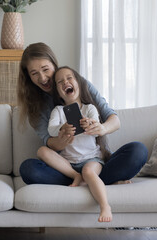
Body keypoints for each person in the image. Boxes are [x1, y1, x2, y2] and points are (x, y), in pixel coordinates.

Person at [17, 42, 148, 186]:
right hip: (65, 167)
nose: (42, 78)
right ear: (28, 77)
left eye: (45, 69)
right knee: (28, 169)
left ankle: (88, 179)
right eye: (34, 73)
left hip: (95, 163)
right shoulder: (35, 105)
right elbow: (49, 142)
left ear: (54, 65)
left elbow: (114, 120)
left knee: (138, 150)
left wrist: (101, 128)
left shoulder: (78, 84)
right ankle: (88, 180)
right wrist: (62, 137)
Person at [38, 66, 114, 222]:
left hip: (91, 158)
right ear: (59, 92)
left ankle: (105, 206)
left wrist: (90, 124)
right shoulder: (58, 111)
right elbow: (51, 130)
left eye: (69, 78)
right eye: (60, 82)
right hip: (68, 163)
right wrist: (61, 128)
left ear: (79, 83)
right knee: (42, 151)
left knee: (89, 171)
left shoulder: (89, 108)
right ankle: (75, 176)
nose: (65, 82)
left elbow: (97, 124)